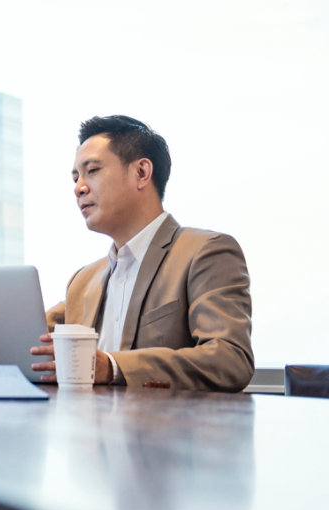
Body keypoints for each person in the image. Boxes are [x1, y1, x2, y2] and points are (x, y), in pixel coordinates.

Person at [31, 115, 254, 391]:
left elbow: (229, 359)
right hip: (87, 431)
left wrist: (112, 366)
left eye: (93, 171)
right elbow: (27, 338)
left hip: (168, 431)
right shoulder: (83, 281)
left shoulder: (206, 252)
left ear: (141, 173)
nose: (79, 188)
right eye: (75, 177)